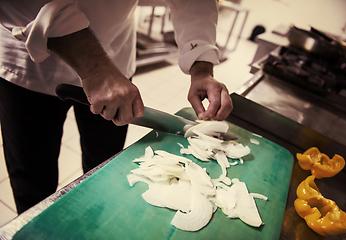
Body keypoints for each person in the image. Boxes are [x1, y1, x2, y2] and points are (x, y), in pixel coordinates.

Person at [0, 0, 233, 214]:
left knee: (104, 168)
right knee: (33, 183)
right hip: (27, 66)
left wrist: (202, 67)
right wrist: (95, 68)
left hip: (115, 57)